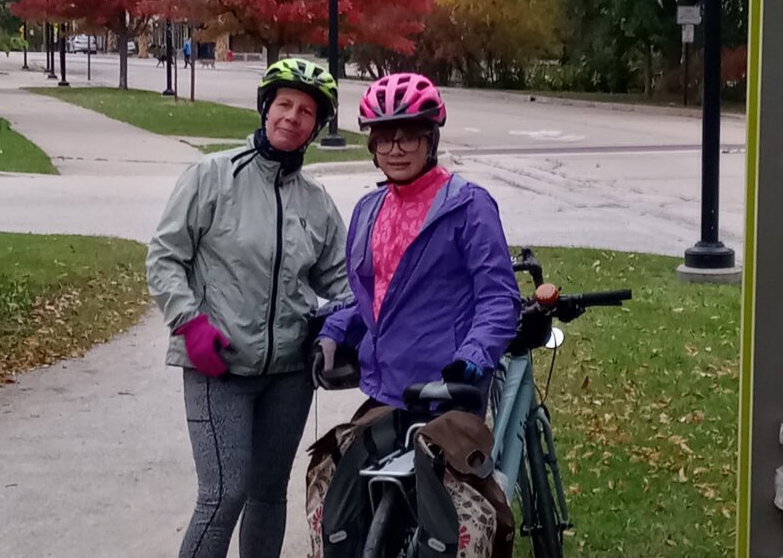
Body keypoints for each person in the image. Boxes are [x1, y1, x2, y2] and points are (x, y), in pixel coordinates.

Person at [147, 58, 349, 558]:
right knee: (222, 496)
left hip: (288, 374)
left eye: (306, 111)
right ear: (265, 107)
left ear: (316, 126)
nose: (292, 117)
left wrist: (337, 330)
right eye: (284, 104)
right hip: (219, 367)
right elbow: (165, 257)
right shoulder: (213, 176)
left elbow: (345, 281)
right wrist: (189, 323)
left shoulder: (316, 202)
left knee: (267, 494)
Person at [315, 72, 520, 412]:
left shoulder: (468, 206)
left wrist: (473, 354)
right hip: (385, 387)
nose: (395, 151)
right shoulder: (370, 209)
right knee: (337, 464)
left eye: (408, 138)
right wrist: (334, 331)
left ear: (430, 142)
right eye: (384, 140)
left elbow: (498, 297)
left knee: (443, 467)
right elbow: (377, 300)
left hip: (446, 389)